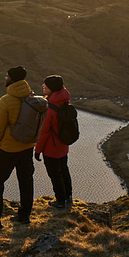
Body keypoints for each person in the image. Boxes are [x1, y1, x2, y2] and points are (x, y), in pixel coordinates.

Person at [0, 66, 37, 229]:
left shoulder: (6, 100)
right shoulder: (31, 97)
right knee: (26, 180)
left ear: (12, 79)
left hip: (8, 148)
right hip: (27, 146)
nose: (5, 78)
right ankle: (24, 215)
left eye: (7, 76)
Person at [35, 75, 73, 209]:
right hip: (63, 145)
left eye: (46, 85)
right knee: (64, 170)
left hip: (51, 148)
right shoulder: (64, 101)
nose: (43, 86)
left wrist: (37, 150)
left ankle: (60, 201)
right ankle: (68, 198)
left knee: (54, 175)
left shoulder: (50, 108)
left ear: (52, 88)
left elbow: (44, 132)